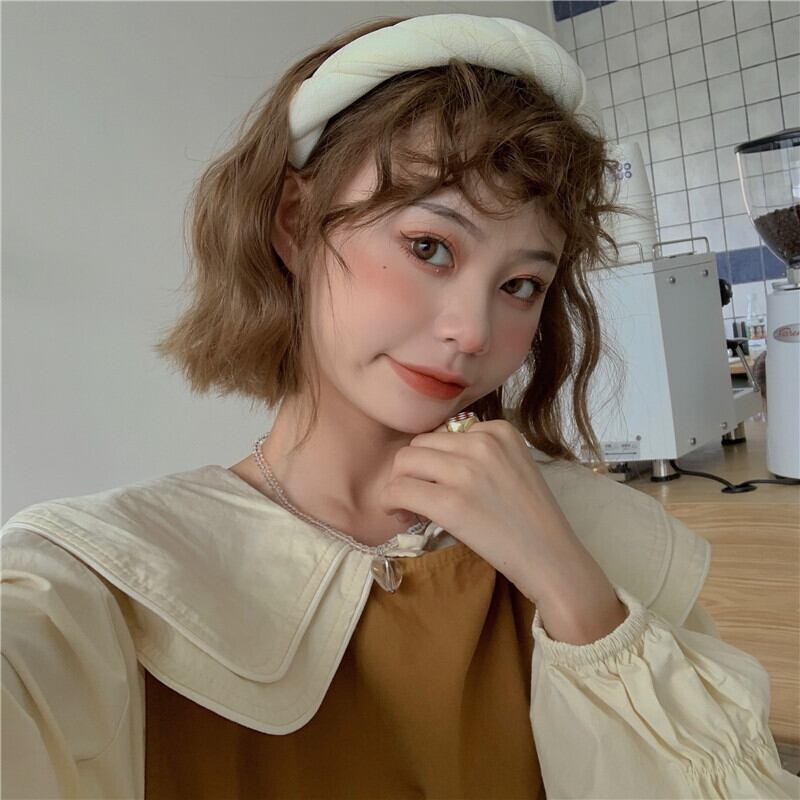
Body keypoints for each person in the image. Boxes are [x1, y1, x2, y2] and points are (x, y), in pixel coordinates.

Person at [2, 12, 799, 800]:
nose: (472, 331)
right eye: (429, 247)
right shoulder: (104, 579)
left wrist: (574, 592)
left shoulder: (592, 534)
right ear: (294, 223)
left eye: (521, 284)